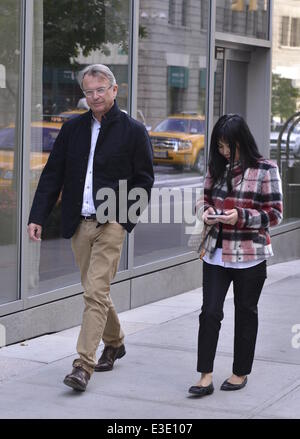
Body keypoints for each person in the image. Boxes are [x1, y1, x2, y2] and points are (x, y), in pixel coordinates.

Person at [27, 64, 154, 392]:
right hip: (79, 223)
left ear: (114, 90)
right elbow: (53, 173)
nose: (95, 96)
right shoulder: (73, 129)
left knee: (95, 291)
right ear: (83, 95)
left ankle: (83, 365)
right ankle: (115, 342)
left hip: (111, 222)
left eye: (101, 90)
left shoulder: (133, 131)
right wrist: (38, 216)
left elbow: (144, 180)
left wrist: (124, 219)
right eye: (89, 91)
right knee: (95, 290)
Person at [188, 114, 283, 397]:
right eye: (220, 146)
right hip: (216, 253)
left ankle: (240, 372)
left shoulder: (266, 169)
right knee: (209, 313)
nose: (224, 152)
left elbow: (275, 214)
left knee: (245, 313)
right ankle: (205, 376)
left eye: (229, 146)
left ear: (242, 141)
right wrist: (203, 211)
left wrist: (239, 217)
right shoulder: (216, 167)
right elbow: (202, 198)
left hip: (250, 255)